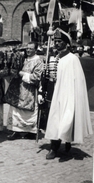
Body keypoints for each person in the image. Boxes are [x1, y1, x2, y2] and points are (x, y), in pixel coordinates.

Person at [40, 28, 93, 160]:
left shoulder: (72, 59)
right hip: (53, 92)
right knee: (53, 119)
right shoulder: (53, 57)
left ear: (67, 44)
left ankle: (60, 144)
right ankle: (54, 145)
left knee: (65, 118)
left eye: (59, 42)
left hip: (66, 93)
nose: (56, 44)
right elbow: (46, 76)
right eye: (55, 41)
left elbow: (78, 81)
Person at [4, 41, 43, 140]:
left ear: (35, 49)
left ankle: (30, 131)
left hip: (29, 90)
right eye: (27, 48)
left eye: (31, 48)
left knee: (28, 112)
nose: (28, 50)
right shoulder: (23, 59)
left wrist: (22, 74)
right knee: (15, 110)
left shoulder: (38, 61)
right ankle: (15, 130)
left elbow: (36, 77)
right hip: (18, 89)